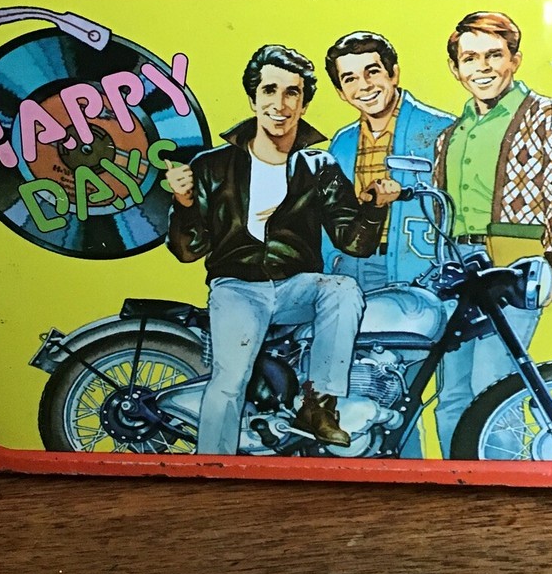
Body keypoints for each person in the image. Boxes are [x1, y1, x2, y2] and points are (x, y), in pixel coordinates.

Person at [166, 44, 401, 455]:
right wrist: (184, 205)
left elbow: (353, 243)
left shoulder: (319, 166)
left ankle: (318, 403)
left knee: (343, 288)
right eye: (269, 91)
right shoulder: (212, 166)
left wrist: (374, 207)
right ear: (254, 98)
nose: (280, 103)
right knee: (229, 380)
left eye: (291, 92)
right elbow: (188, 252)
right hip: (237, 288)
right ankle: (210, 468)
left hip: (296, 287)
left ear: (304, 103)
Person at [433, 11, 552, 457]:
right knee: (452, 394)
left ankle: (497, 472)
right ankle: (457, 473)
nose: (481, 67)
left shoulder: (549, 117)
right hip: (458, 267)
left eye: (493, 55)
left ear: (515, 60)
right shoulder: (451, 134)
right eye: (469, 58)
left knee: (493, 386)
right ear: (456, 68)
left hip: (515, 265)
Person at [323, 31, 454, 293]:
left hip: (417, 267)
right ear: (340, 91)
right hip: (350, 267)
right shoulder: (342, 141)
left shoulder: (441, 129)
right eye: (349, 79)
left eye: (372, 72)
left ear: (393, 73)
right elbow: (328, 212)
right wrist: (332, 261)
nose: (364, 86)